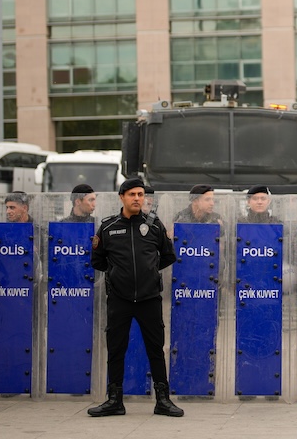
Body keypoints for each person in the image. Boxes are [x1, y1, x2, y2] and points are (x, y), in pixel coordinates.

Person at [88, 178, 183, 419]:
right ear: (122, 197)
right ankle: (114, 400)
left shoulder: (153, 225)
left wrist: (149, 272)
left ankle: (163, 400)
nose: (137, 198)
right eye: (132, 194)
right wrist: (119, 275)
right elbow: (98, 260)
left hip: (149, 298)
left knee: (155, 349)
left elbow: (168, 256)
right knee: (116, 349)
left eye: (140, 194)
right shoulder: (108, 227)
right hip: (119, 299)